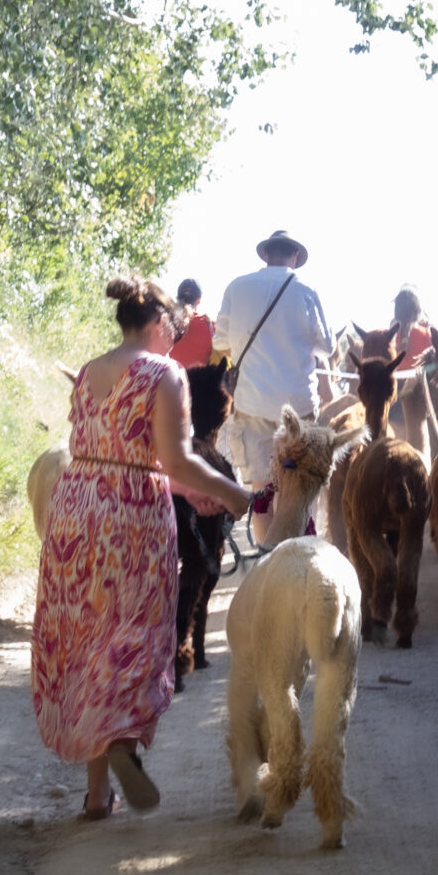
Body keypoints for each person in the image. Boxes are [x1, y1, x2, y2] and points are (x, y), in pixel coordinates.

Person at [33, 278, 252, 818]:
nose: (174, 344)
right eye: (173, 333)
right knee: (132, 635)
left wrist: (190, 493)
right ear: (158, 326)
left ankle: (97, 792)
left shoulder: (87, 373)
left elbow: (117, 454)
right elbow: (172, 461)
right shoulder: (164, 373)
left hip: (75, 509)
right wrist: (231, 493)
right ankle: (123, 747)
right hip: (131, 519)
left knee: (88, 635)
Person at [211, 229, 335, 480]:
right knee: (296, 491)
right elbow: (327, 347)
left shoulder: (236, 287)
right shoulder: (308, 291)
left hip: (252, 405)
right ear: (295, 256)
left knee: (261, 492)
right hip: (298, 408)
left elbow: (220, 342)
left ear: (266, 253)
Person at [173, 358, 245, 686]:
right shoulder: (215, 462)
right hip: (198, 481)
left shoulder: (170, 454)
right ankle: (186, 649)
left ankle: (183, 648)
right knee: (199, 566)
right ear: (220, 408)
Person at [168, 278, 215, 370]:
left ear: (178, 297)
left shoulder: (165, 323)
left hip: (168, 382)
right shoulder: (211, 326)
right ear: (199, 300)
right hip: (199, 383)